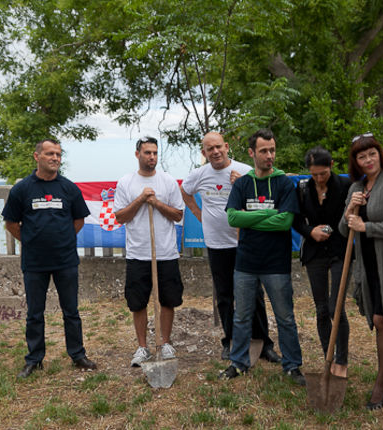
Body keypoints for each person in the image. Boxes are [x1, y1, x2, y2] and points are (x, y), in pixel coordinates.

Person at [180, 131, 281, 363]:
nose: (215, 152)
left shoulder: (244, 171)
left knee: (254, 294)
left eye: (219, 147)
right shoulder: (198, 175)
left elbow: (262, 199)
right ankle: (230, 341)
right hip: (217, 244)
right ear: (204, 152)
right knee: (224, 295)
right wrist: (198, 213)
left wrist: (242, 186)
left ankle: (263, 343)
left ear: (226, 147)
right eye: (210, 149)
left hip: (244, 242)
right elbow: (185, 192)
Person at [2, 139, 98, 378]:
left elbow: (78, 220)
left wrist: (61, 240)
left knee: (71, 311)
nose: (55, 158)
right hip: (34, 262)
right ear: (37, 157)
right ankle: (34, 359)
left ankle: (77, 355)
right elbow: (11, 223)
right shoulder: (22, 189)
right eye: (49, 154)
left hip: (65, 260)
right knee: (35, 313)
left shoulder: (69, 188)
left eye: (58, 154)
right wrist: (31, 241)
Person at [218, 128, 305, 385]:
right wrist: (269, 213)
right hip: (246, 262)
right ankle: (238, 362)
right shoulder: (243, 184)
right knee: (242, 316)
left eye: (272, 150)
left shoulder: (284, 183)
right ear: (251, 153)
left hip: (276, 263)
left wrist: (251, 218)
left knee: (285, 317)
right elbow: (233, 217)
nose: (269, 155)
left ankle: (292, 365)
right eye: (264, 151)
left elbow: (285, 221)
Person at [338, 133, 383, 410]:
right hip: (367, 264)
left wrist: (366, 227)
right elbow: (344, 230)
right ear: (355, 161)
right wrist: (350, 209)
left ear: (380, 155)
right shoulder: (356, 187)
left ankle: (382, 382)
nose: (368, 160)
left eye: (372, 154)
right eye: (361, 156)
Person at [112, 136, 186, 367]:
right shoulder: (126, 182)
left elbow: (178, 215)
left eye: (155, 153)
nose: (152, 157)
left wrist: (156, 203)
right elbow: (120, 216)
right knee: (138, 302)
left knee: (168, 300)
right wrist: (141, 199)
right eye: (147, 153)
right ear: (137, 154)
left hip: (166, 252)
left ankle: (164, 343)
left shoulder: (168, 181)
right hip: (138, 253)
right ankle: (143, 347)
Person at [292, 146, 351, 378]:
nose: (319, 178)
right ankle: (328, 356)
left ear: (331, 166)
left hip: (340, 251)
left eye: (323, 173)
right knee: (321, 308)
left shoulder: (346, 186)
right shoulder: (303, 188)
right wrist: (310, 232)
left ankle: (342, 360)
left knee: (336, 306)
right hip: (314, 252)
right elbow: (296, 220)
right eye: (314, 174)